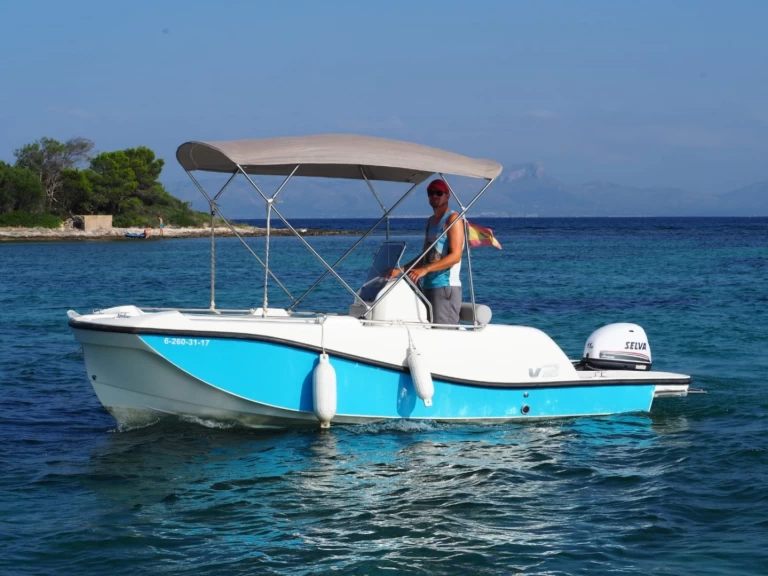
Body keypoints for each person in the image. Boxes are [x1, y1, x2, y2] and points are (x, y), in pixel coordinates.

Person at [388, 179, 464, 324]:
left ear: (447, 196)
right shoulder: (430, 222)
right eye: (431, 193)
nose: (434, 196)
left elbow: (455, 256)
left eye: (439, 193)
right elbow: (425, 256)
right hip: (428, 286)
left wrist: (425, 270)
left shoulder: (453, 219)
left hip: (445, 287)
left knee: (443, 335)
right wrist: (400, 270)